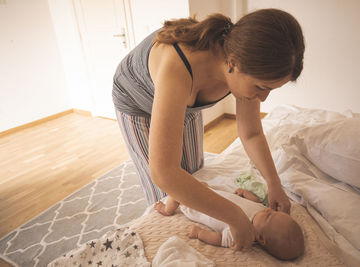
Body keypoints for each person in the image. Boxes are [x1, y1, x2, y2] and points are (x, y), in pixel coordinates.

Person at [112, 8, 305, 251]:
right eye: (261, 87)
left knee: (193, 176)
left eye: (270, 90)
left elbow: (251, 132)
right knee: (166, 198)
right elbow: (164, 172)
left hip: (184, 102)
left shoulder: (241, 65)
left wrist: (273, 183)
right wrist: (235, 217)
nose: (263, 98)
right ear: (233, 63)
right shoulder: (177, 67)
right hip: (136, 101)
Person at [154, 182, 305, 260]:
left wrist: (200, 233)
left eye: (269, 216)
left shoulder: (242, 235)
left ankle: (167, 209)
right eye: (273, 211)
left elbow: (219, 239)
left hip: (196, 206)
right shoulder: (261, 212)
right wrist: (246, 193)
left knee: (177, 190)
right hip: (212, 194)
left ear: (260, 238)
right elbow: (257, 201)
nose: (268, 210)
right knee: (195, 184)